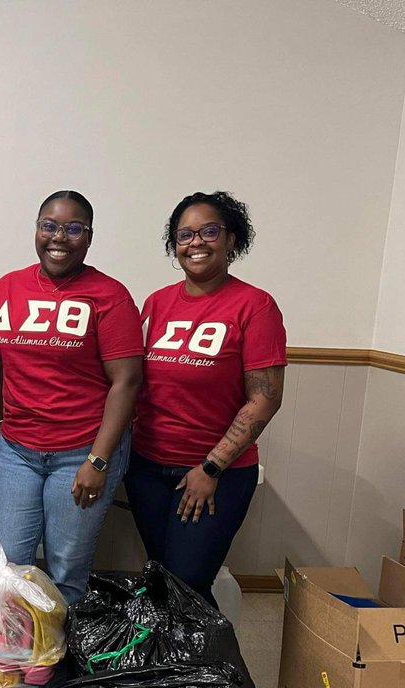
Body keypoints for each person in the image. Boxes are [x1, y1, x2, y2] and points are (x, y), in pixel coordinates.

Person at [124, 190, 286, 608]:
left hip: (215, 473)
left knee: (188, 581)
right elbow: (133, 382)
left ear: (232, 239)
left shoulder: (255, 306)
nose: (196, 243)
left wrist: (211, 467)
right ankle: (171, 669)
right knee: (163, 575)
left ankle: (208, 671)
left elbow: (264, 399)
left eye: (209, 232)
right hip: (146, 468)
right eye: (185, 234)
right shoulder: (156, 303)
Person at [0, 190, 143, 604]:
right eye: (49, 226)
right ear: (36, 230)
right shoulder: (7, 288)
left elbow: (126, 382)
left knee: (65, 566)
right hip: (19, 450)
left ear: (89, 238)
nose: (59, 237)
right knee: (6, 564)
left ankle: (56, 664)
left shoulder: (110, 296)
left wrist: (99, 460)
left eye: (74, 229)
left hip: (82, 451)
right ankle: (15, 658)